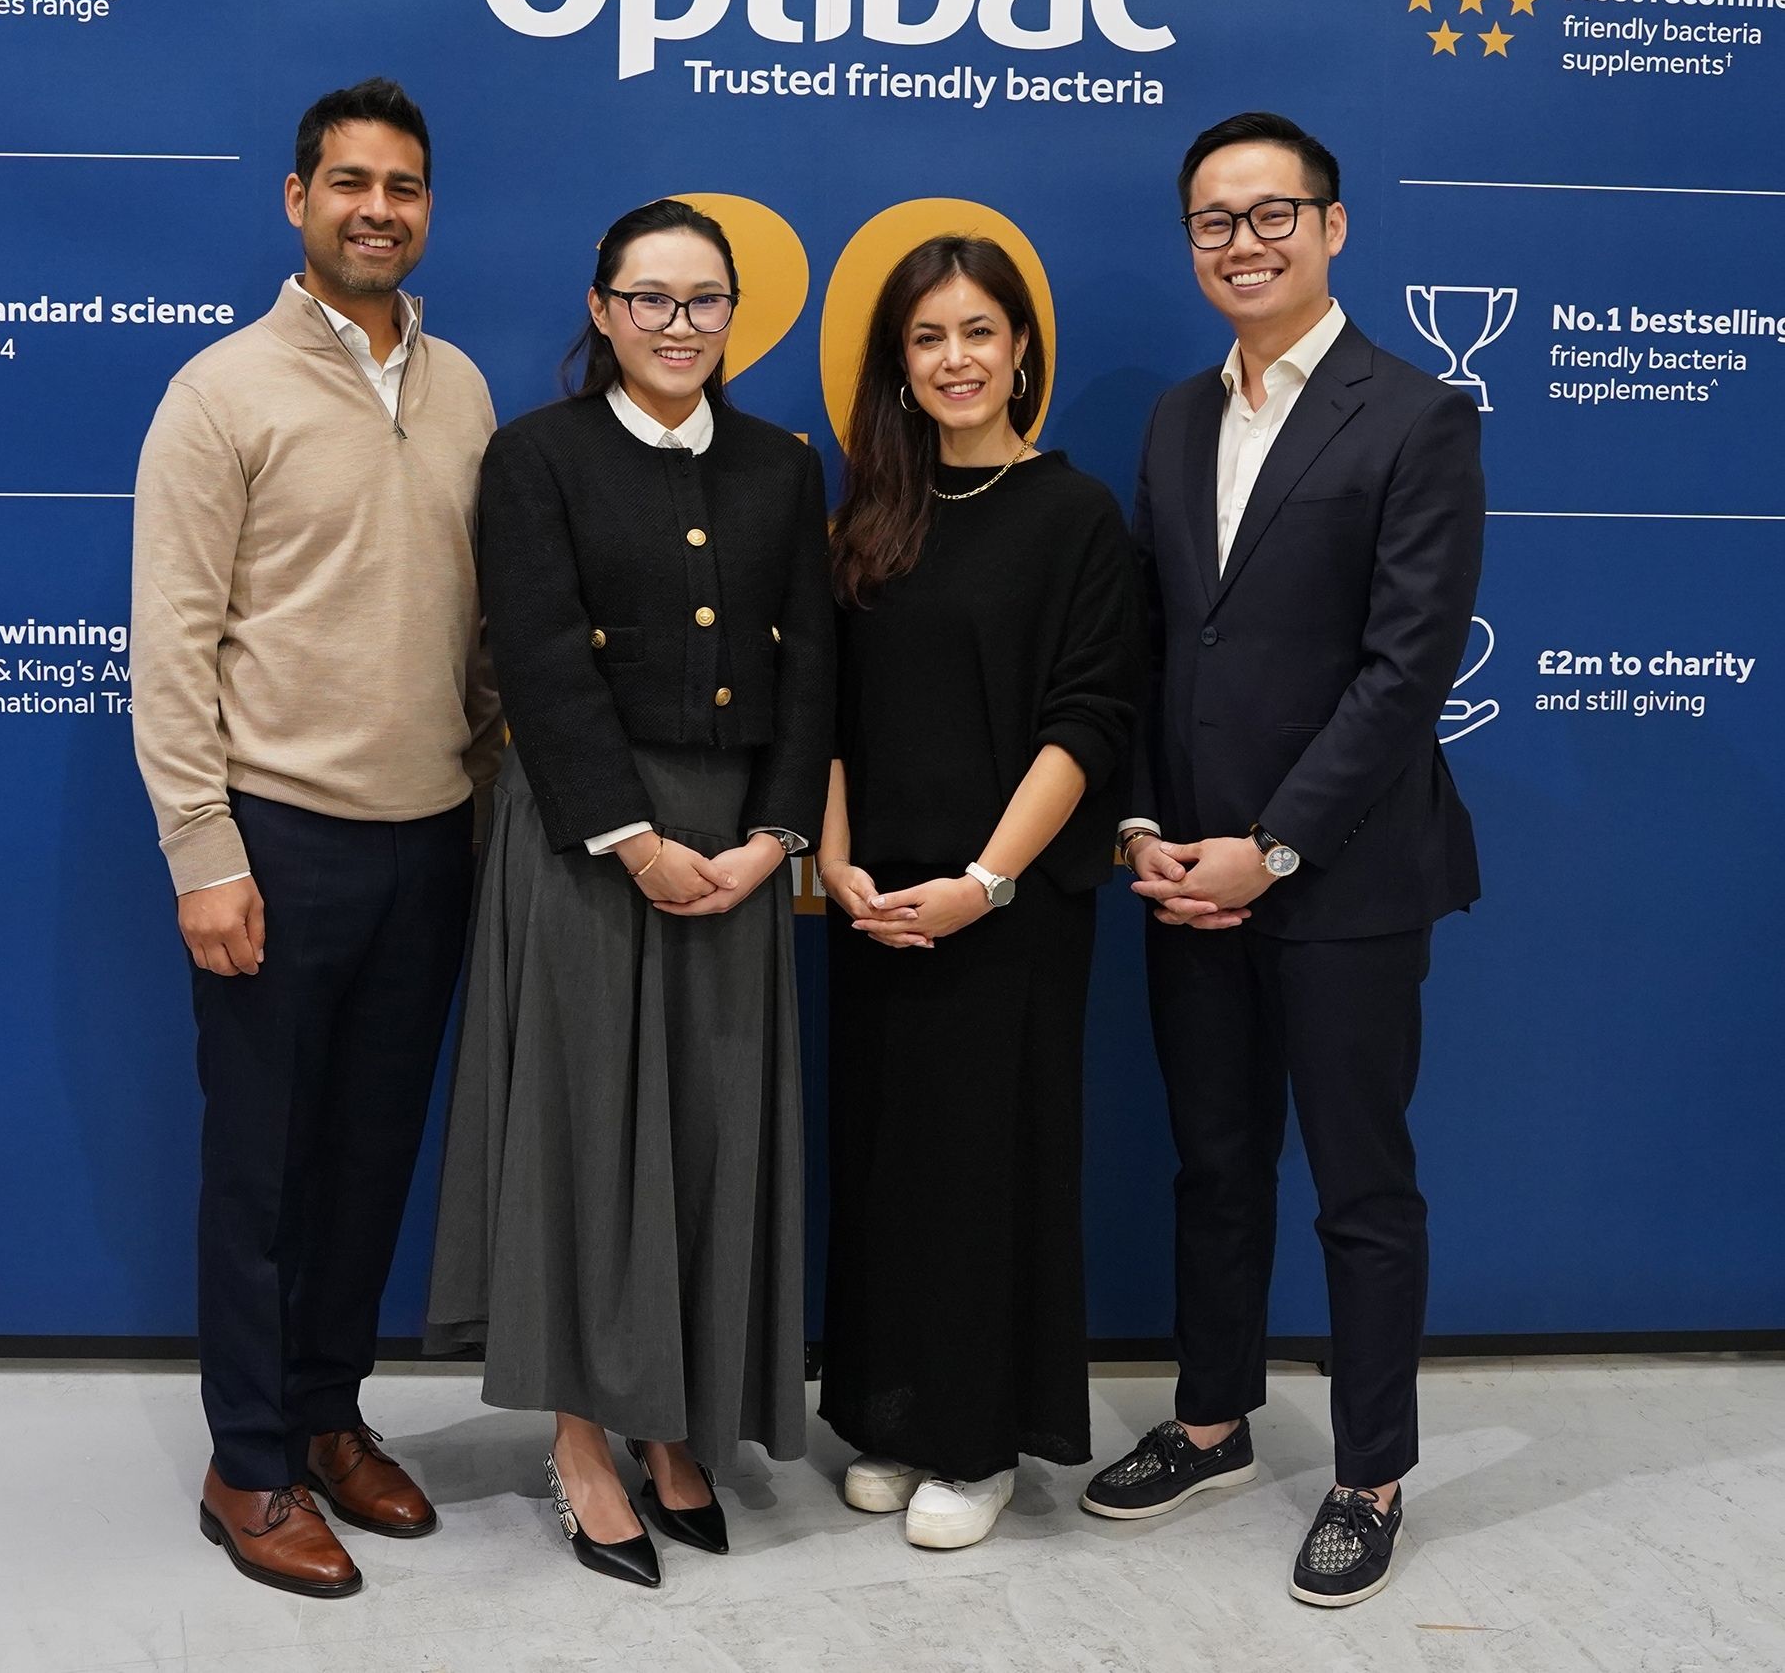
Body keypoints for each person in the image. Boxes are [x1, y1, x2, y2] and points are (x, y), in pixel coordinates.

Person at [1083, 112, 1483, 1607]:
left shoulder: (1417, 415)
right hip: (1183, 875)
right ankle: (1210, 1420)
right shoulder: (1181, 417)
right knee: (1215, 1165)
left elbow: (1404, 674)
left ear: (1332, 227)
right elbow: (1145, 644)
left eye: (1271, 214)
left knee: (1362, 1188)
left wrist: (1273, 848)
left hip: (1348, 875)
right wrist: (1141, 825)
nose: (1242, 242)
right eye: (1212, 222)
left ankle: (1371, 1471)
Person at [426, 198, 834, 1588]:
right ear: (601, 311)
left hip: (736, 846)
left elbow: (814, 672)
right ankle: (583, 1438)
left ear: (735, 316)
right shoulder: (535, 457)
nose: (677, 325)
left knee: (710, 1135)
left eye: (703, 300)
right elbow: (536, 655)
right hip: (590, 844)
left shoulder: (783, 467)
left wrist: (776, 837)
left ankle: (677, 1428)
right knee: (586, 1141)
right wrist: (633, 837)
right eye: (648, 299)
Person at [131, 78, 501, 1597]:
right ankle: (251, 1462)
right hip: (278, 842)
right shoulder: (220, 391)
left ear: (427, 208)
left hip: (434, 837)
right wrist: (203, 849)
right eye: (348, 182)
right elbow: (172, 640)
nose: (377, 209)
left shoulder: (467, 385)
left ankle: (331, 1413)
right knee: (262, 1171)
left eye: (403, 186)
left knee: (367, 1160)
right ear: (297, 201)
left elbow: (486, 627)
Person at [816, 235, 1138, 1550]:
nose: (955, 359)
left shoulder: (1075, 517)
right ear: (900, 364)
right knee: (887, 1167)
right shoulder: (870, 522)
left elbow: (1089, 721)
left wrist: (987, 882)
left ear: (1020, 350)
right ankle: (893, 1414)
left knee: (984, 1172)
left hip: (1005, 912)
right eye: (928, 338)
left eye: (978, 332)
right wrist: (832, 866)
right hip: (874, 907)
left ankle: (980, 1441)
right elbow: (822, 711)